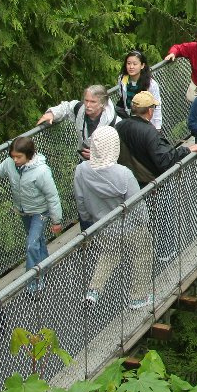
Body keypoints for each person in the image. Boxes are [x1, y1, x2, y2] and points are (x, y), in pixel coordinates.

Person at [74, 125, 156, 310]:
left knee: (108, 255)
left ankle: (93, 291)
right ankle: (138, 297)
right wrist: (144, 222)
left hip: (103, 226)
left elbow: (80, 200)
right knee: (142, 256)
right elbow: (136, 203)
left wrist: (88, 219)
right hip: (131, 228)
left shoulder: (81, 170)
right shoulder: (123, 174)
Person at [0, 136, 62, 292]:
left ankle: (34, 283)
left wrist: (56, 220)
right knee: (37, 240)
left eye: (19, 157)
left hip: (39, 212)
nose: (15, 160)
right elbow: (0, 171)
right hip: (24, 211)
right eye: (13, 156)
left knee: (31, 244)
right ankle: (45, 266)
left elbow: (52, 196)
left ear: (29, 154)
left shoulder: (41, 171)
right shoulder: (10, 164)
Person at [116, 92, 197, 186]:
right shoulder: (149, 132)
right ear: (150, 111)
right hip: (150, 185)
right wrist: (187, 150)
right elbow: (166, 160)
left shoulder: (119, 126)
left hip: (128, 182)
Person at [36, 84, 118, 160]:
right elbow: (66, 107)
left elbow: (119, 150)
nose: (88, 105)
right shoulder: (80, 109)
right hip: (84, 161)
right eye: (86, 100)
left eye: (93, 102)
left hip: (105, 165)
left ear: (102, 103)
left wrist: (99, 155)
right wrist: (52, 114)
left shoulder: (115, 123)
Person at [115, 49, 161, 129]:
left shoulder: (151, 84)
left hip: (145, 119)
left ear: (142, 65)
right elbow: (122, 95)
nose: (131, 67)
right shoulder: (122, 79)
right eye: (128, 63)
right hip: (128, 116)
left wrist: (157, 127)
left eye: (135, 64)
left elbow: (156, 106)